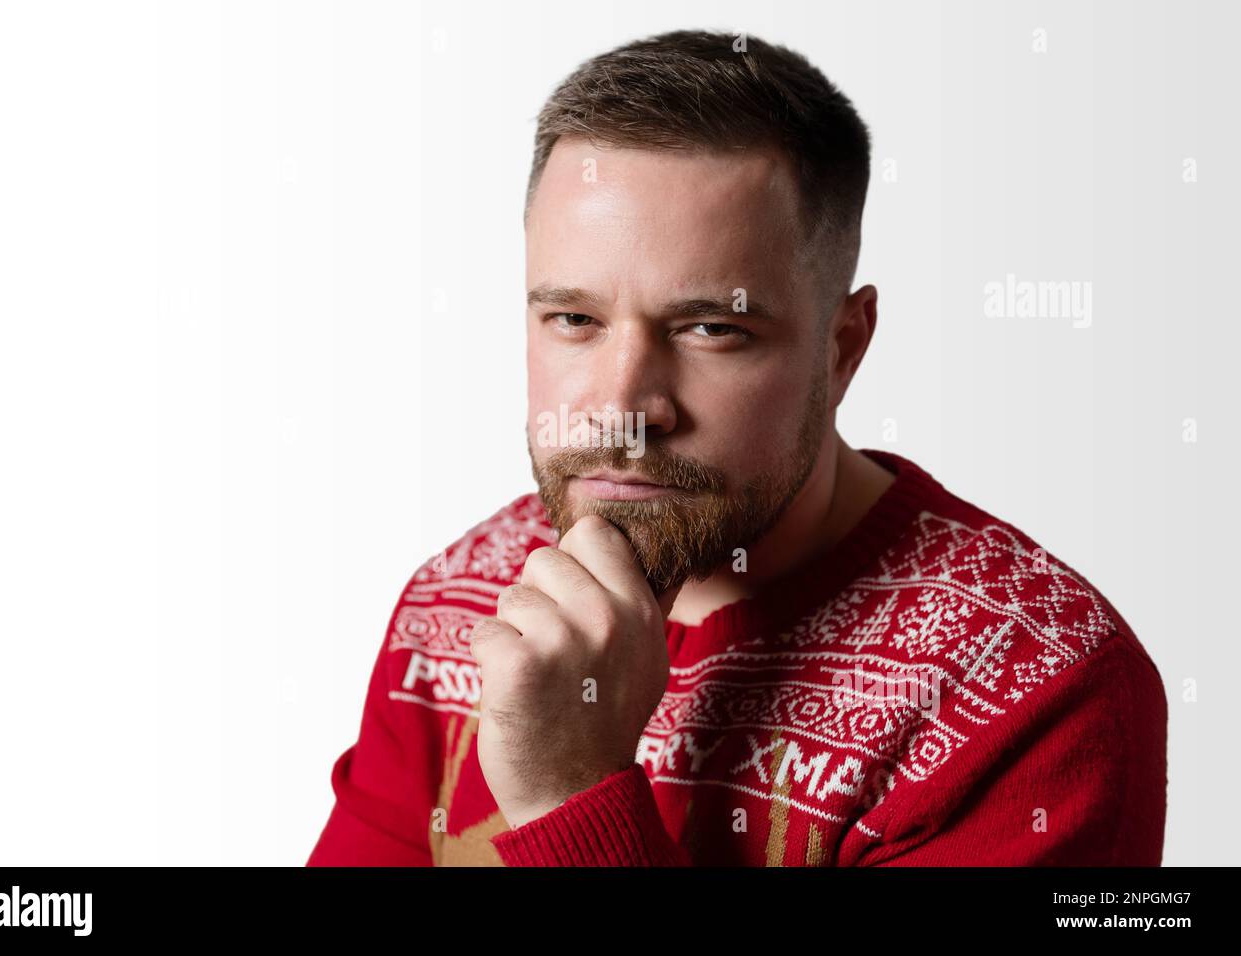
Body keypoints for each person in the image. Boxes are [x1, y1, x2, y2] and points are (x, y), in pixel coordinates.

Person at [306, 29, 1167, 866]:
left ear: (843, 345)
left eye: (711, 327)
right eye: (574, 319)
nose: (621, 408)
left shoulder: (1035, 691)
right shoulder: (460, 603)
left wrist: (571, 799)